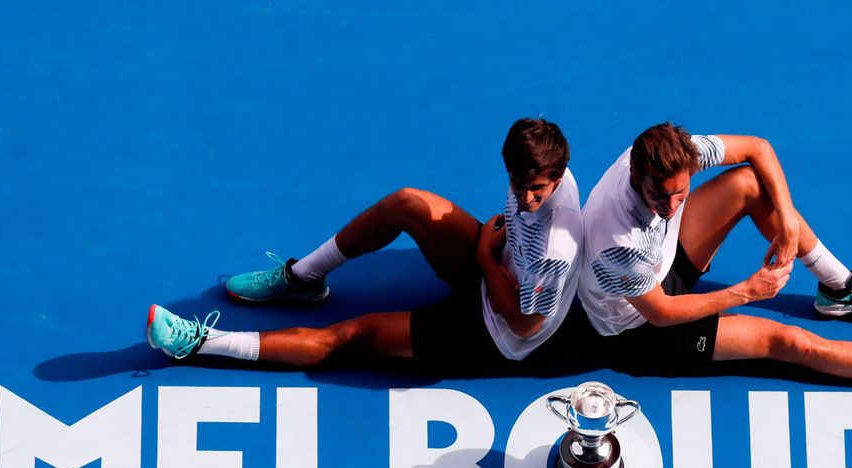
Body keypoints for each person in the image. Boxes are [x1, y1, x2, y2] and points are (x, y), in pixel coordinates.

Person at [576, 122, 852, 392]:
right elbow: (662, 313)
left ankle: (839, 287)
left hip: (662, 265)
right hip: (641, 328)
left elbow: (758, 148)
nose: (670, 205)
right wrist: (745, 292)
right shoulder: (618, 240)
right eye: (658, 195)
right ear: (636, 177)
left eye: (679, 192)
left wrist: (787, 220)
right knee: (788, 341)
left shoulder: (676, 154)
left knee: (749, 184)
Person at [146, 118, 583, 370]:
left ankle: (200, 343)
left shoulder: (556, 249)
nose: (525, 198)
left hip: (496, 332)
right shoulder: (538, 170)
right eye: (517, 184)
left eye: (537, 190)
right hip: (498, 267)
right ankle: (303, 278)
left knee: (348, 336)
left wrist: (487, 260)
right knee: (408, 203)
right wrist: (494, 255)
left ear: (558, 178)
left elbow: (527, 326)